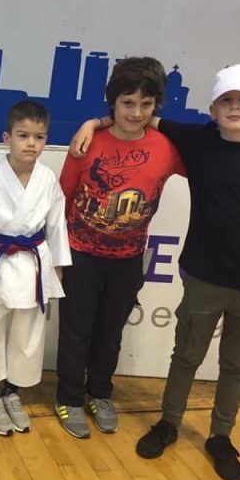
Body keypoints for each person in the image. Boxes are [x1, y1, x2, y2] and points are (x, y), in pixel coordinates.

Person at [74, 64, 240, 480]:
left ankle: (221, 436)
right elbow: (140, 117)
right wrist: (93, 122)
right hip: (203, 277)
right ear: (212, 109)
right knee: (185, 357)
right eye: (227, 100)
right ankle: (168, 423)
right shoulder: (197, 141)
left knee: (235, 366)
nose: (235, 108)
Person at [56, 57, 185, 439]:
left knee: (110, 333)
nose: (136, 113)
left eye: (146, 104)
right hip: (80, 255)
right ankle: (69, 398)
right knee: (75, 332)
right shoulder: (87, 142)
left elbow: (214, 154)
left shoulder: (166, 148)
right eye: (128, 103)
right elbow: (63, 198)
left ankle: (100, 393)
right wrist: (58, 256)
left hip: (128, 259)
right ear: (112, 101)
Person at [0, 100, 71, 436]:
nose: (31, 143)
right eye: (23, 135)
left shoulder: (47, 179)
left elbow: (56, 225)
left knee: (28, 332)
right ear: (6, 138)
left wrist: (58, 266)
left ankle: (12, 391)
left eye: (39, 137)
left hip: (34, 264)